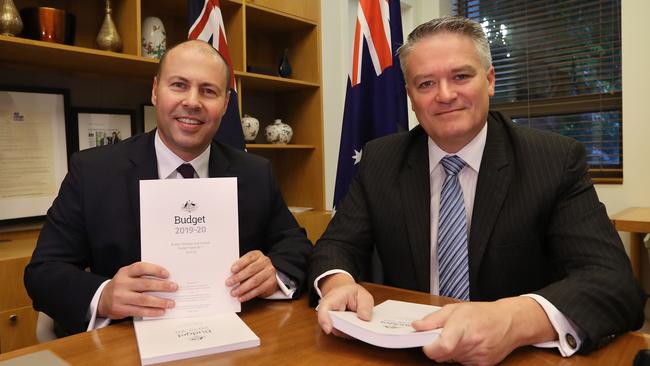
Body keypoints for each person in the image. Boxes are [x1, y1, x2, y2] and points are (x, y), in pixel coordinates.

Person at [309, 16, 644, 365]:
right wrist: (337, 283)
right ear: (410, 97)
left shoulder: (553, 160)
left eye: (461, 76)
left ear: (490, 80)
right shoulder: (380, 159)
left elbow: (614, 284)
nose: (445, 95)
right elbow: (335, 246)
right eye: (425, 84)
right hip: (408, 351)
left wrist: (514, 319)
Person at [24, 40, 312, 336]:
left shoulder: (255, 172)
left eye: (208, 91)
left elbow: (296, 246)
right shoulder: (93, 172)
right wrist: (106, 295)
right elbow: (43, 272)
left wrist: (273, 271)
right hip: (126, 343)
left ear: (225, 104)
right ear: (155, 91)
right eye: (178, 85)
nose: (192, 102)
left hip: (229, 337)